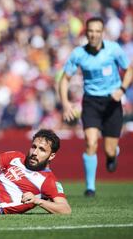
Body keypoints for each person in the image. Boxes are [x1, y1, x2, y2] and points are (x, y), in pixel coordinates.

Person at [59, 17, 133, 197]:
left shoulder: (114, 49)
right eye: (90, 31)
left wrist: (122, 89)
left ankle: (112, 153)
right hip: (91, 102)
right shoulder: (78, 54)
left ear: (102, 33)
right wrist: (66, 103)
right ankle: (90, 187)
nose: (93, 34)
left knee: (108, 149)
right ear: (86, 32)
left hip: (112, 102)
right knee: (90, 143)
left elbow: (129, 69)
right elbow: (64, 79)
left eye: (97, 31)